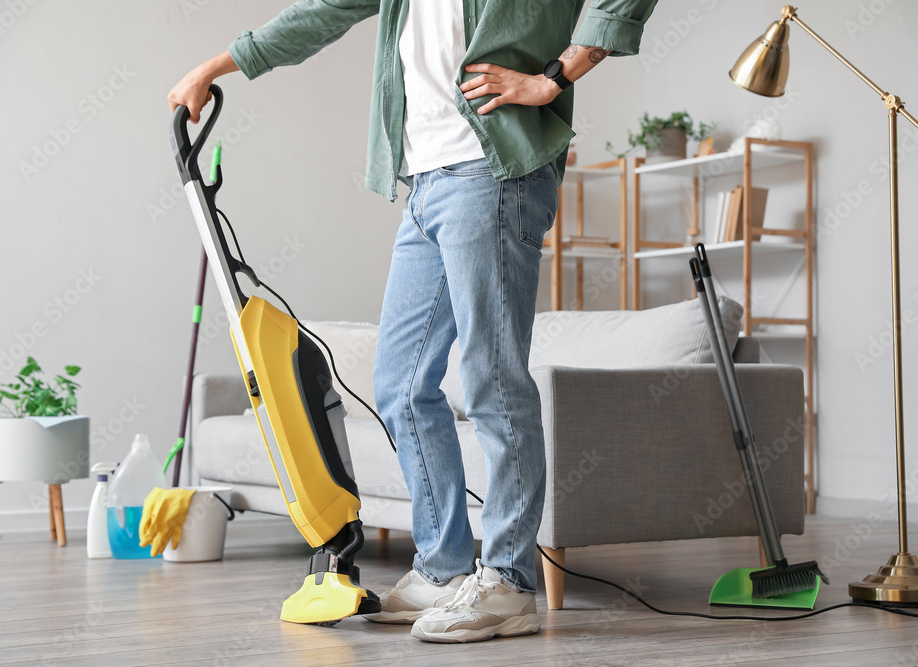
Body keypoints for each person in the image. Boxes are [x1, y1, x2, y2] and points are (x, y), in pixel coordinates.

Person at [169, 0, 657, 644]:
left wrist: (557, 76)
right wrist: (218, 64)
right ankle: (445, 568)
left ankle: (508, 581)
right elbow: (324, 12)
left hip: (493, 173)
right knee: (399, 383)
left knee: (492, 380)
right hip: (425, 181)